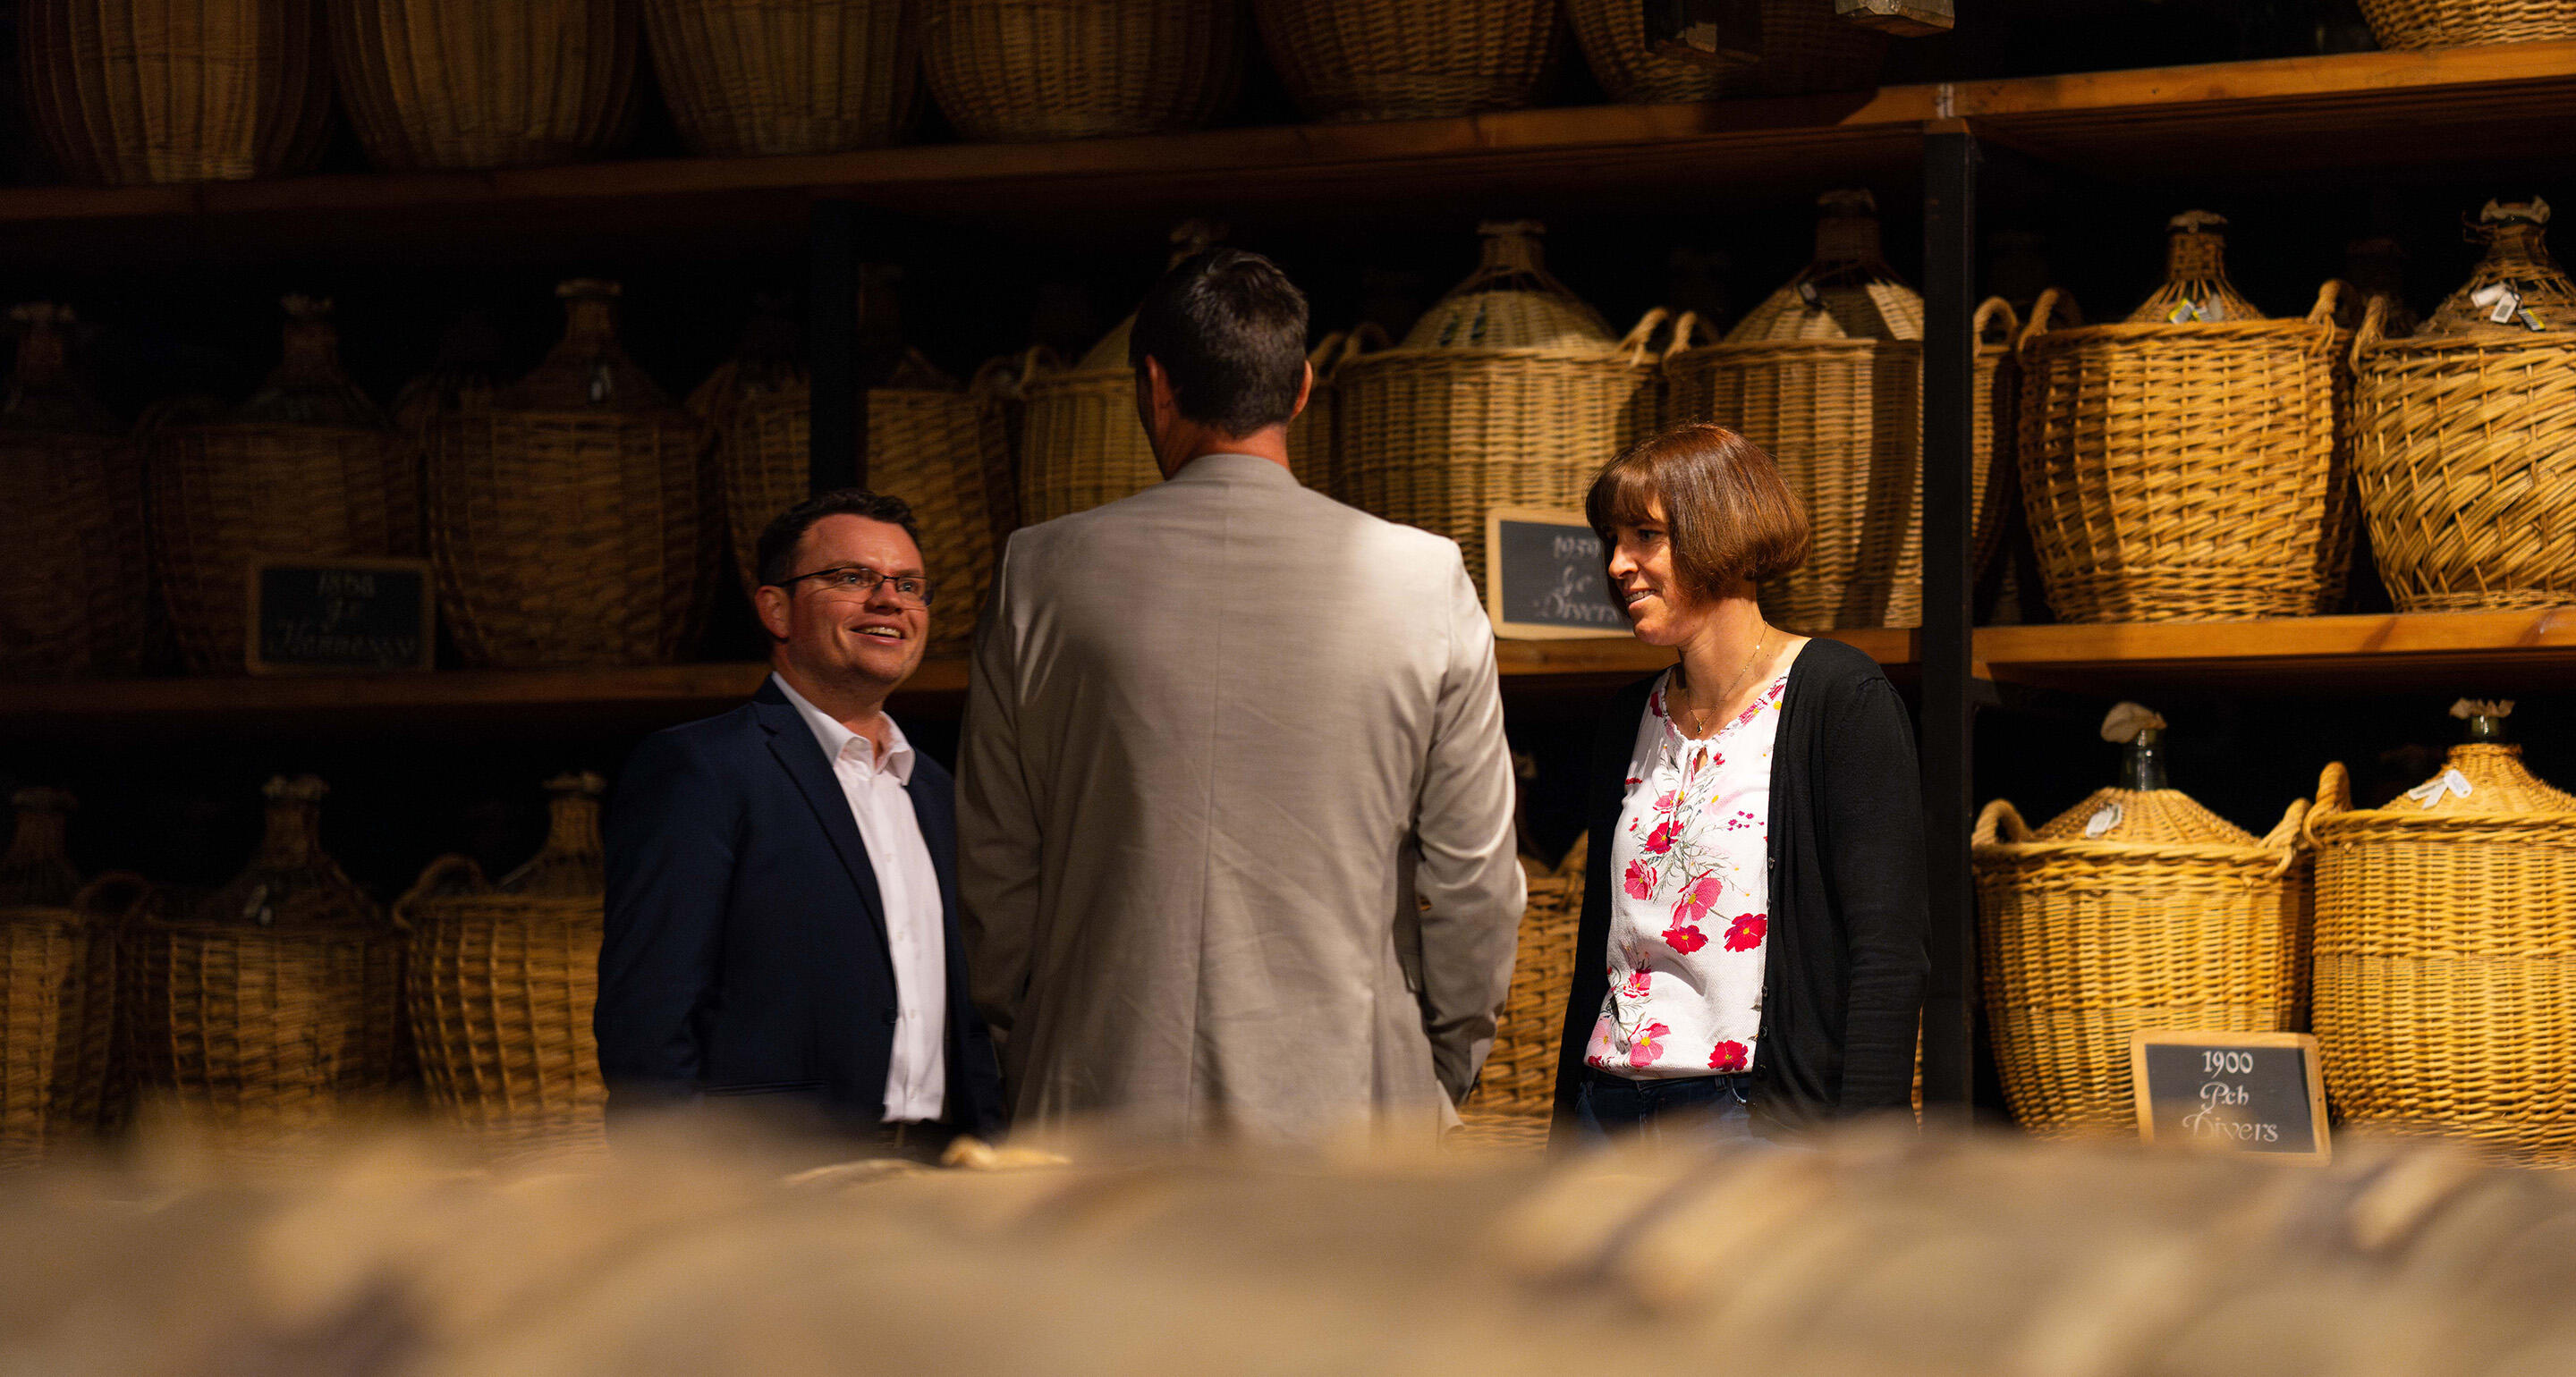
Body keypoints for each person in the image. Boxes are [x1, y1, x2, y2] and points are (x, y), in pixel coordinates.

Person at [957, 248, 1525, 1145]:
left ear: (1154, 387)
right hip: (1353, 1107)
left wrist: (1028, 1044)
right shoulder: (1425, 579)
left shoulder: (1041, 572)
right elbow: (1475, 880)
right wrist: (1438, 1065)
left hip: (1096, 1098)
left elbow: (995, 870)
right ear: (1302, 390)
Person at [597, 489, 1006, 1156]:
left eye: (909, 585)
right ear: (777, 609)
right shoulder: (702, 769)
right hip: (771, 1184)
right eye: (852, 577)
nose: (889, 600)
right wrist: (678, 1191)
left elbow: (971, 1017)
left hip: (942, 1174)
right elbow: (648, 1020)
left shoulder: (937, 791)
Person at [1551, 424, 1927, 1146]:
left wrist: (1867, 1152)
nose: (1618, 564)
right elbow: (1600, 946)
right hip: (1610, 1107)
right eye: (1612, 541)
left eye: (1645, 536)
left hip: (1751, 1117)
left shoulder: (1837, 697)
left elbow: (1888, 951)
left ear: (1718, 532)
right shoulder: (1630, 717)